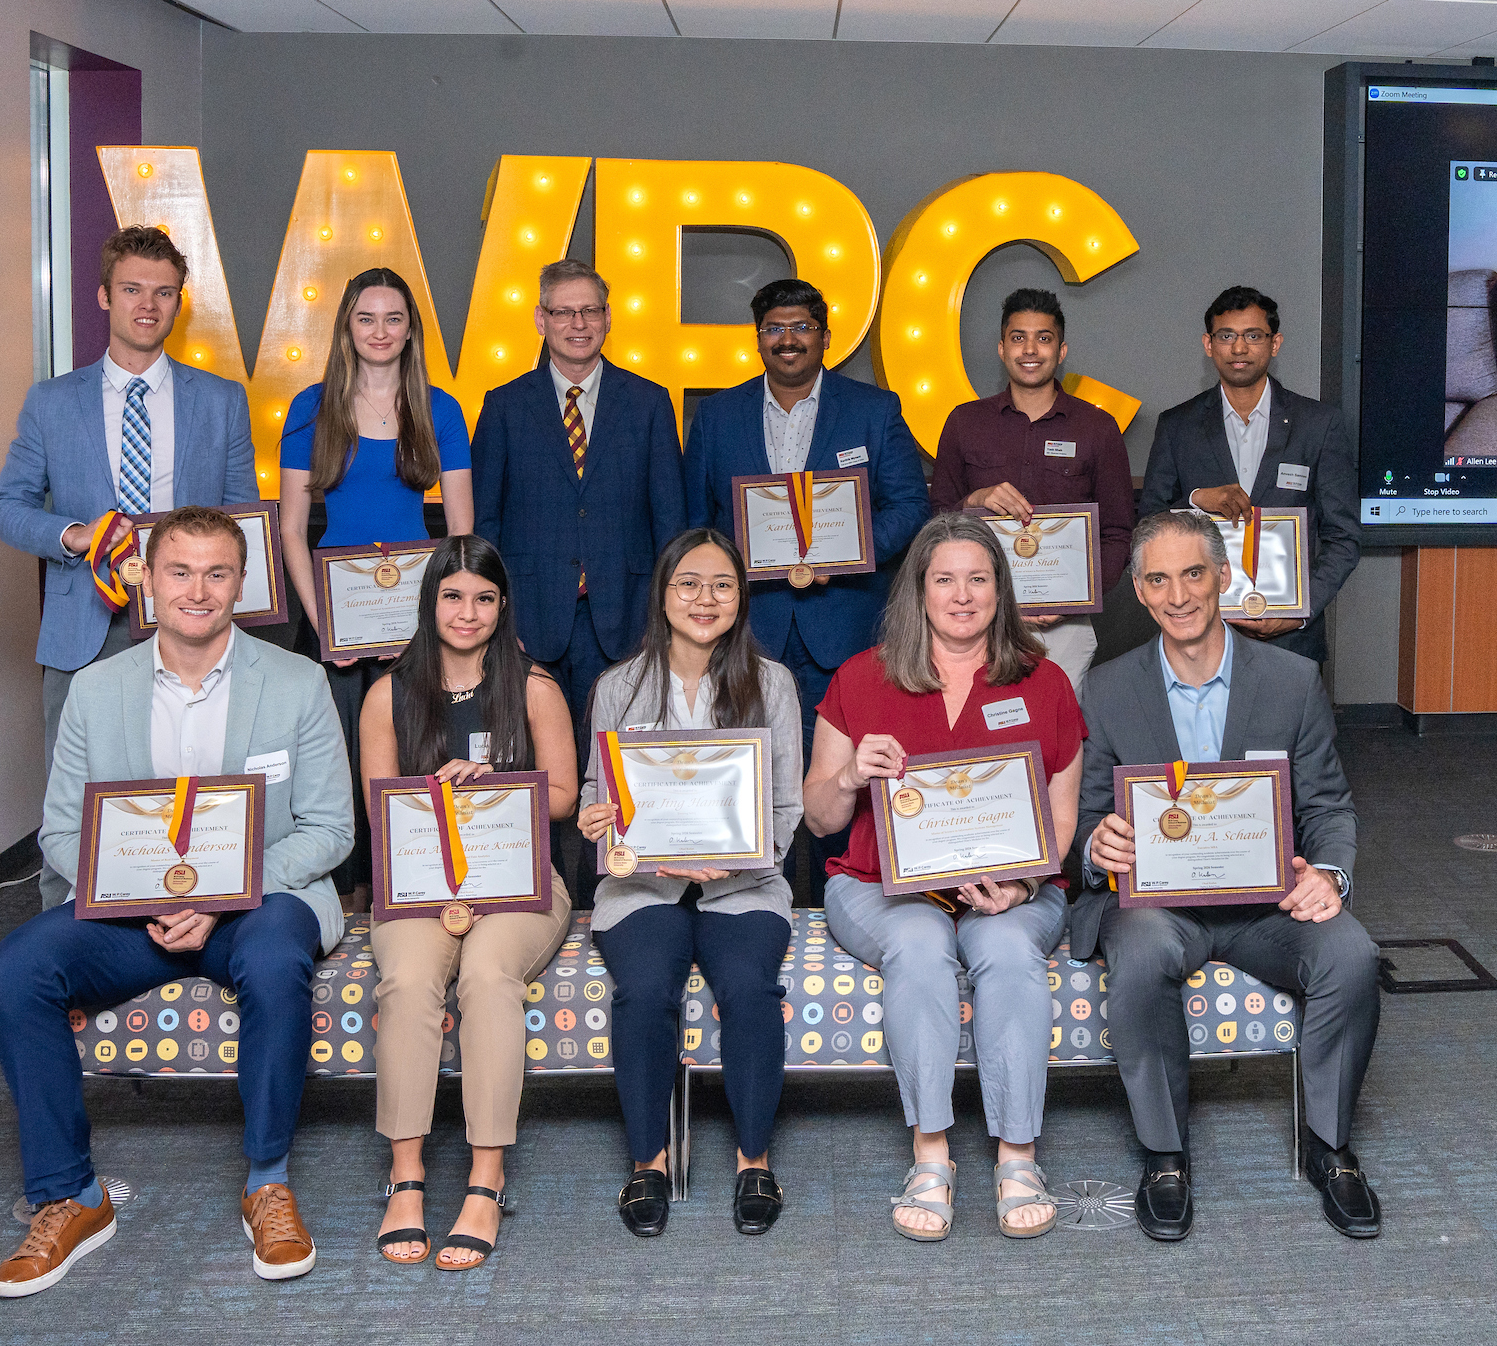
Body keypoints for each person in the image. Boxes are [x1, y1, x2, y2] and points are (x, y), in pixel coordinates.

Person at [0, 507, 353, 1297]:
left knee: (277, 952)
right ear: (145, 580)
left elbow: (330, 829)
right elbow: (61, 831)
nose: (198, 589)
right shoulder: (96, 689)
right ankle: (70, 1196)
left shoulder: (296, 683)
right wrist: (133, 900)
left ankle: (267, 1181)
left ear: (241, 583)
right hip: (132, 917)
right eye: (178, 571)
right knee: (15, 970)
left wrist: (225, 896)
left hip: (257, 906)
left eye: (217, 572)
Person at [1069, 510, 1381, 1241]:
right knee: (1141, 949)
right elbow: (1084, 817)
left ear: (1224, 578)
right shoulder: (1108, 688)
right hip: (1159, 907)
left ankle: (1329, 1145)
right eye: (1158, 579)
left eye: (1193, 574)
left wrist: (1329, 874)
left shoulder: (1293, 681)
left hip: (1265, 904)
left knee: (1352, 954)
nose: (1178, 595)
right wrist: (1096, 845)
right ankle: (1165, 1153)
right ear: (1141, 594)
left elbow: (1328, 805)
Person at [802, 514, 1082, 1241]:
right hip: (878, 886)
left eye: (979, 579)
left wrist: (1021, 886)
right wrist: (851, 775)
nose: (963, 595)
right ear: (918, 590)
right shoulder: (859, 679)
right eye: (945, 579)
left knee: (1009, 949)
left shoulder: (1045, 682)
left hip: (1013, 890)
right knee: (923, 948)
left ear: (1001, 588)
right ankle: (931, 1155)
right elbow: (820, 819)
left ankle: (1017, 1154)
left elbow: (1059, 820)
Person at [574, 529, 804, 1239]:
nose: (705, 599)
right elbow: (595, 794)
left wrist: (736, 859)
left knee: (749, 987)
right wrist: (601, 826)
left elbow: (786, 807)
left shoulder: (773, 684)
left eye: (722, 585)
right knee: (644, 990)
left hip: (744, 886)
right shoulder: (619, 686)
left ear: (741, 596)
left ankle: (753, 1160)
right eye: (689, 584)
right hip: (644, 887)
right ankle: (648, 1161)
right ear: (663, 594)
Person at [357, 535, 575, 1271]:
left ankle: (486, 1177)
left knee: (486, 976)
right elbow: (379, 812)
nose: (468, 611)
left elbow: (570, 794)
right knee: (410, 980)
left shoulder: (535, 687)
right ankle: (408, 1173)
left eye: (484, 597)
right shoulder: (387, 694)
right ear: (430, 601)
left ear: (501, 605)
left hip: (519, 883)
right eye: (452, 595)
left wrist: (498, 787)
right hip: (421, 886)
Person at [684, 277, 930, 901]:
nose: (787, 340)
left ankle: (835, 909)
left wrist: (844, 556)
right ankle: (745, 903)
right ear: (758, 338)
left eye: (800, 327)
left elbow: (910, 506)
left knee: (837, 782)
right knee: (750, 778)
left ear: (824, 335)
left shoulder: (875, 410)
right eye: (774, 329)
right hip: (748, 631)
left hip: (844, 630)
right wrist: (732, 566)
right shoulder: (716, 416)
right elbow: (697, 523)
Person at [0, 225, 257, 760]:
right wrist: (75, 533)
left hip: (191, 619)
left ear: (179, 303)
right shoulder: (52, 402)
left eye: (163, 292)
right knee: (79, 793)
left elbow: (242, 520)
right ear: (105, 296)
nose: (148, 305)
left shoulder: (222, 401)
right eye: (132, 289)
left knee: (192, 780)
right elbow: (5, 509)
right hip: (85, 623)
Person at [472, 257, 686, 903]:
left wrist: (664, 622)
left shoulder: (648, 402)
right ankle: (543, 895)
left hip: (624, 622)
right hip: (531, 624)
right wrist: (494, 621)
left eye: (590, 310)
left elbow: (671, 521)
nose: (577, 323)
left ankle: (617, 897)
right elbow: (485, 524)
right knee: (538, 771)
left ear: (608, 318)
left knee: (618, 767)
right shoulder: (504, 406)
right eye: (562, 311)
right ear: (540, 319)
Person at [279, 268, 473, 907]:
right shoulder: (312, 406)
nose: (380, 331)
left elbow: (462, 535)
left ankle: (409, 889)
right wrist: (324, 627)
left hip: (416, 620)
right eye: (366, 318)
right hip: (332, 616)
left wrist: (435, 619)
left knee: (411, 757)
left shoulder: (439, 407)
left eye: (393, 319)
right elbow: (289, 530)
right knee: (335, 765)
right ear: (346, 327)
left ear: (411, 329)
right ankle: (338, 898)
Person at [1136, 285, 1361, 665]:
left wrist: (1299, 609)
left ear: (1275, 344)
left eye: (1253, 336)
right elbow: (1149, 525)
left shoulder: (1318, 425)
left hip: (1292, 642)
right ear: (1209, 344)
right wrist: (1195, 501)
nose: (1239, 349)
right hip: (1199, 632)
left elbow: (1344, 538)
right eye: (1227, 336)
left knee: (1289, 727)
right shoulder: (1178, 425)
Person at [929, 287, 1134, 694]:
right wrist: (974, 500)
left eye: (1044, 338)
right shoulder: (965, 422)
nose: (1030, 349)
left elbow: (1117, 534)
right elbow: (935, 523)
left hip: (1065, 629)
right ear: (1001, 347)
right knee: (985, 737)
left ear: (1061, 351)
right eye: (1018, 337)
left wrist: (1074, 597)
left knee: (1059, 742)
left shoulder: (1096, 428)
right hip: (976, 621)